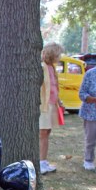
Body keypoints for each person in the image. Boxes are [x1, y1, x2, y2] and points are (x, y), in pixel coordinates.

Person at [39, 42, 64, 175]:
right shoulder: (42, 67)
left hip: (52, 104)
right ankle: (40, 162)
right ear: (52, 54)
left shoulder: (52, 68)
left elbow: (54, 87)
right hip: (44, 105)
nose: (59, 57)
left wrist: (59, 101)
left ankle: (43, 161)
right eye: (58, 54)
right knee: (42, 134)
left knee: (47, 133)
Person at [78, 53, 96, 173]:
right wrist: (94, 99)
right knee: (91, 139)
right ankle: (88, 160)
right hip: (91, 112)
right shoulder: (90, 74)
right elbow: (82, 94)